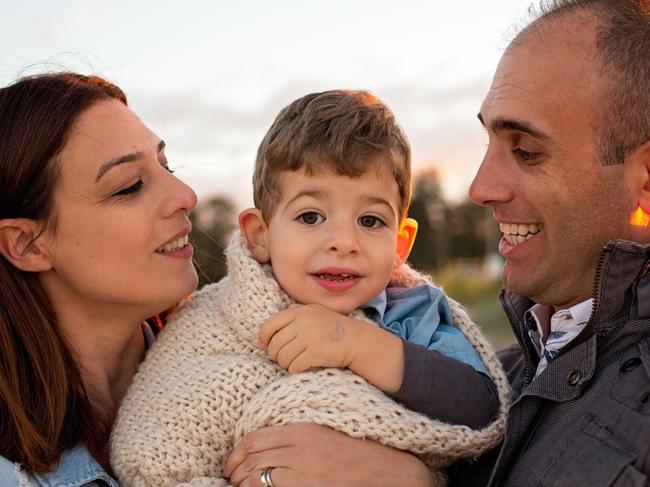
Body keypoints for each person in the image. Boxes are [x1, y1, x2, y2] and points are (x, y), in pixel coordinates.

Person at [224, 1, 650, 486]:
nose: (479, 187)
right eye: (488, 143)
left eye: (527, 152)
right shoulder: (522, 362)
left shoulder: (424, 327)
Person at [110, 90, 510, 486]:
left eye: (370, 221)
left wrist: (356, 343)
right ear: (261, 235)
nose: (343, 241)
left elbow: (478, 407)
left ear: (399, 246)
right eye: (311, 216)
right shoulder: (212, 321)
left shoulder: (409, 312)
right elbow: (155, 454)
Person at [0, 72, 199, 485]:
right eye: (130, 186)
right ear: (27, 245)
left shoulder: (267, 358)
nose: (185, 195)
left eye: (166, 165)